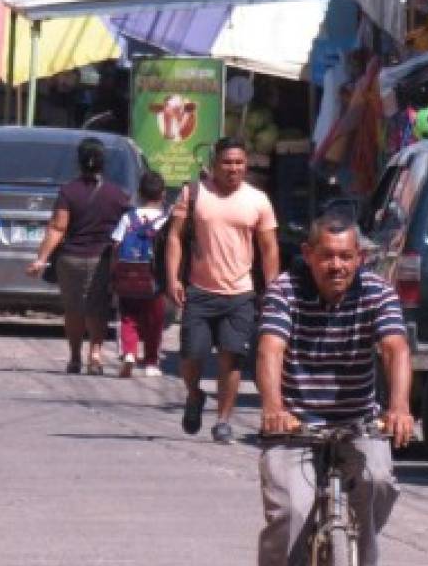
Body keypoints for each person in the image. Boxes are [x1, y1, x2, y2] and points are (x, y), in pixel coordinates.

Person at [253, 214, 414, 566]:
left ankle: (363, 561)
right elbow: (270, 350)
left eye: (346, 256)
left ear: (360, 258)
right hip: (295, 426)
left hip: (357, 422)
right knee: (289, 514)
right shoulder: (284, 291)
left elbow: (395, 348)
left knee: (379, 480)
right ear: (309, 256)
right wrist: (274, 408)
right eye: (327, 256)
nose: (337, 265)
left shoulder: (377, 293)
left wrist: (399, 407)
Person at [165, 137, 280, 443]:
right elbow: (175, 237)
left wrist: (273, 290)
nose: (233, 168)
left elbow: (269, 248)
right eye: (227, 162)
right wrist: (173, 277)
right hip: (199, 291)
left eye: (239, 163)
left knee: (232, 359)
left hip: (241, 294)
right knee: (191, 356)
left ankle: (223, 420)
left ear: (246, 166)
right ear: (214, 164)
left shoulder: (258, 201)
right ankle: (194, 395)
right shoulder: (193, 194)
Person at [27, 138, 129, 374]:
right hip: (101, 260)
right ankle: (95, 353)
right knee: (97, 308)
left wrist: (41, 259)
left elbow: (57, 228)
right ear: (104, 163)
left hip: (70, 260)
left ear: (79, 161)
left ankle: (74, 357)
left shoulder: (68, 191)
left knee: (73, 309)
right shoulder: (118, 195)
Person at [110, 170, 168, 378]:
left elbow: (116, 245)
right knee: (155, 321)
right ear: (163, 195)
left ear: (140, 194)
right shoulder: (165, 220)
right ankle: (151, 361)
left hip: (128, 277)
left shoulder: (128, 217)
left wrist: (115, 273)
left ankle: (129, 353)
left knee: (128, 317)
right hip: (154, 280)